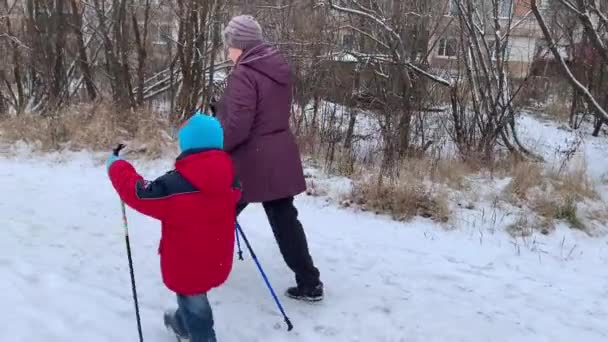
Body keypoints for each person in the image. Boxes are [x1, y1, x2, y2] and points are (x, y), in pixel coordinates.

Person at [215, 14, 323, 302]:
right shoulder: (275, 66)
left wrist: (217, 145)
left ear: (240, 44)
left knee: (220, 211)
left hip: (251, 159)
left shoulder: (244, 73)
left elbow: (239, 125)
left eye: (230, 44)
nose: (228, 51)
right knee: (284, 217)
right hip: (277, 152)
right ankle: (309, 281)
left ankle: (205, 264)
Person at [106, 113, 241, 341]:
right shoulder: (232, 180)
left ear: (187, 144)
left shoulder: (174, 186)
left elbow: (139, 192)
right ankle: (181, 323)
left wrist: (117, 166)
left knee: (196, 304)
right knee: (194, 296)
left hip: (186, 263)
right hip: (216, 257)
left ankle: (199, 335)